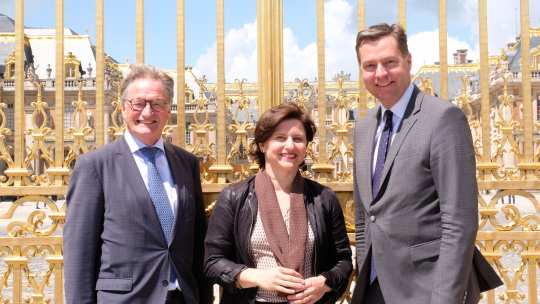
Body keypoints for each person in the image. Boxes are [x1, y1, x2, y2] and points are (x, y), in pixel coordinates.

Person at [351, 23, 502, 304]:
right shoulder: (363, 126)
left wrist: (444, 299)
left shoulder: (443, 118)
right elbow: (364, 217)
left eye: (389, 62)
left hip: (426, 290)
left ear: (408, 61)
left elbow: (460, 221)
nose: (380, 74)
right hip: (373, 289)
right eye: (370, 66)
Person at [64, 64, 212, 304]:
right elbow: (79, 255)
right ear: (123, 108)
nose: (147, 112)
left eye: (157, 103)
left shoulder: (187, 164)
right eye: (138, 103)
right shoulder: (95, 166)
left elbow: (197, 245)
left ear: (168, 110)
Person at [204, 103, 352, 304]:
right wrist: (256, 276)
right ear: (263, 145)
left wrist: (324, 283)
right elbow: (212, 263)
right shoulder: (234, 197)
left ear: (306, 148)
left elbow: (343, 262)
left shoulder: (323, 198)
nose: (289, 146)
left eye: (298, 139)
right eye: (280, 138)